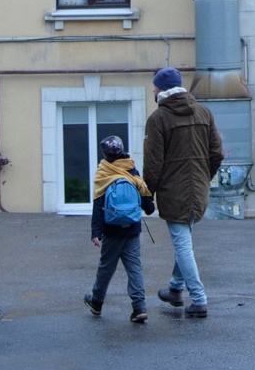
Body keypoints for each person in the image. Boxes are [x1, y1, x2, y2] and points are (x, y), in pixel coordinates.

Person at [144, 66, 224, 318]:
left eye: (155, 86)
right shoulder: (204, 112)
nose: (153, 90)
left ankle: (199, 299)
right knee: (184, 239)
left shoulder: (158, 119)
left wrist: (146, 194)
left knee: (182, 245)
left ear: (162, 89)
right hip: (198, 190)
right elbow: (217, 153)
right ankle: (175, 289)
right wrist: (203, 178)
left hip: (173, 192)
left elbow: (153, 163)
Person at [83, 135, 152, 324]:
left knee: (106, 267)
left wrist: (96, 233)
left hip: (111, 231)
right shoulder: (131, 168)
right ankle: (139, 308)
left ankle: (96, 302)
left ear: (105, 153)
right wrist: (149, 206)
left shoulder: (104, 172)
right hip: (132, 229)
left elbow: (98, 204)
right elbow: (146, 199)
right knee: (134, 268)